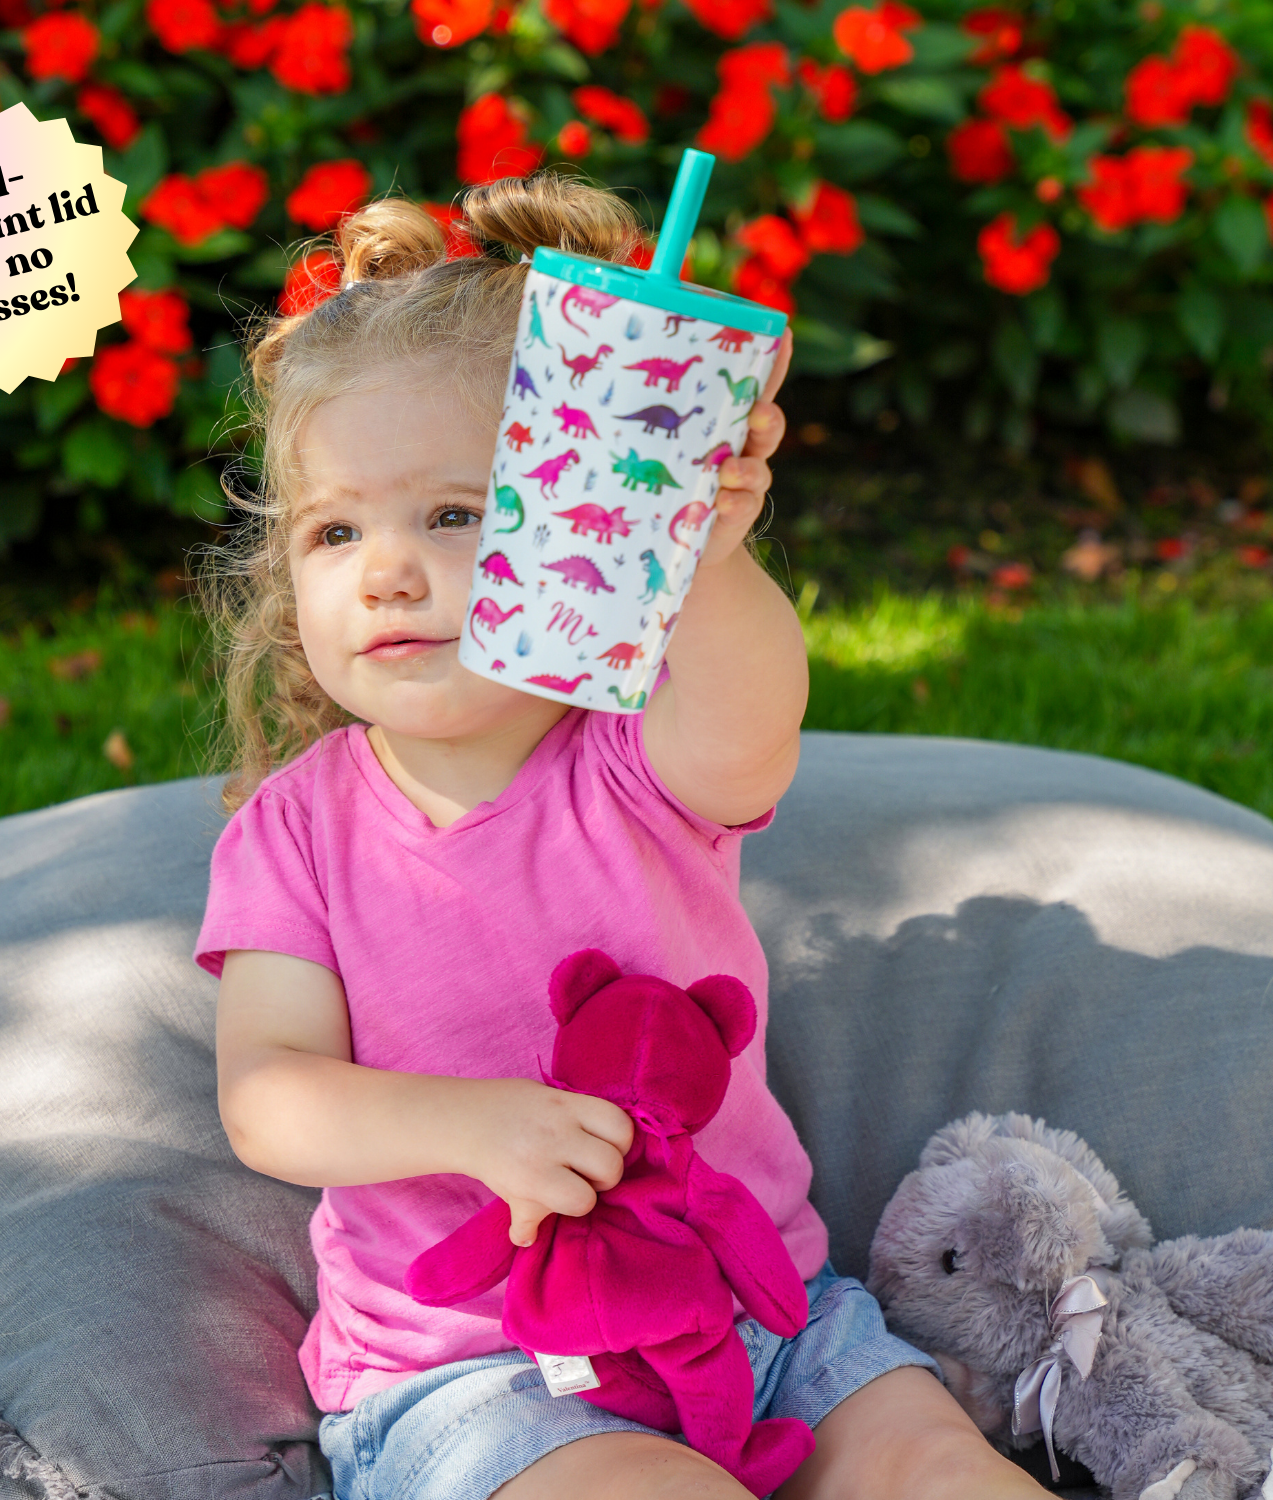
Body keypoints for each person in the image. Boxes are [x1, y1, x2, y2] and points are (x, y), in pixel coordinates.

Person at [193, 172, 1050, 1500]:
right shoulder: (298, 833)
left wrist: (707, 555)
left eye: (455, 514)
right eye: (335, 528)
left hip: (758, 1320)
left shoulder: (634, 754)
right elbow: (269, 1095)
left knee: (934, 1463)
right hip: (479, 1378)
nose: (386, 570)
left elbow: (755, 712)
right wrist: (475, 1128)